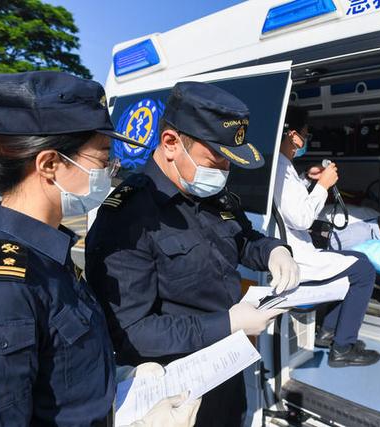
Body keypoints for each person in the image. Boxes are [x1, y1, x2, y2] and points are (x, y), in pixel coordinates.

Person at [85, 81, 300, 427]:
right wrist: (228, 322)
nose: (224, 172)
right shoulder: (128, 217)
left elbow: (243, 239)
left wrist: (275, 251)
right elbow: (131, 332)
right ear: (171, 143)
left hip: (227, 371)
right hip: (175, 398)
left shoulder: (212, 196)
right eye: (217, 159)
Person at [0, 71, 141, 425]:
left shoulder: (48, 253)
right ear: (50, 164)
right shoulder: (4, 287)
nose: (111, 173)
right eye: (103, 160)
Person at [274, 106, 380, 367]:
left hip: (293, 251)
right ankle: (343, 348)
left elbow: (289, 199)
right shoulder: (280, 167)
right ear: (294, 136)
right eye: (306, 133)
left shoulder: (280, 166)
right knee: (364, 270)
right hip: (295, 258)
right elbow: (300, 218)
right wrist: (323, 186)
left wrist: (308, 180)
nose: (307, 139)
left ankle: (329, 332)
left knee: (350, 263)